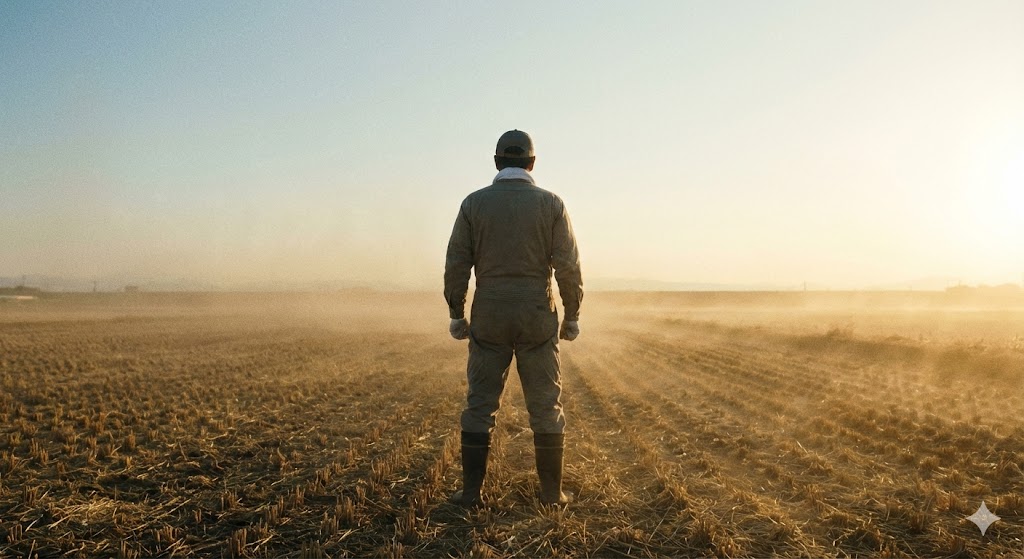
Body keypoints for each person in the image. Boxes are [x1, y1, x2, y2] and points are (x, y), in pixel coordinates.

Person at [444, 129, 583, 508]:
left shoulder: (473, 204)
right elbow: (568, 266)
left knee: (480, 403)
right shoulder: (551, 204)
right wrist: (572, 315)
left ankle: (471, 493)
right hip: (537, 313)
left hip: (489, 313)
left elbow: (457, 263)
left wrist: (456, 313)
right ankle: (552, 494)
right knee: (546, 404)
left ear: (496, 162)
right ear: (532, 163)